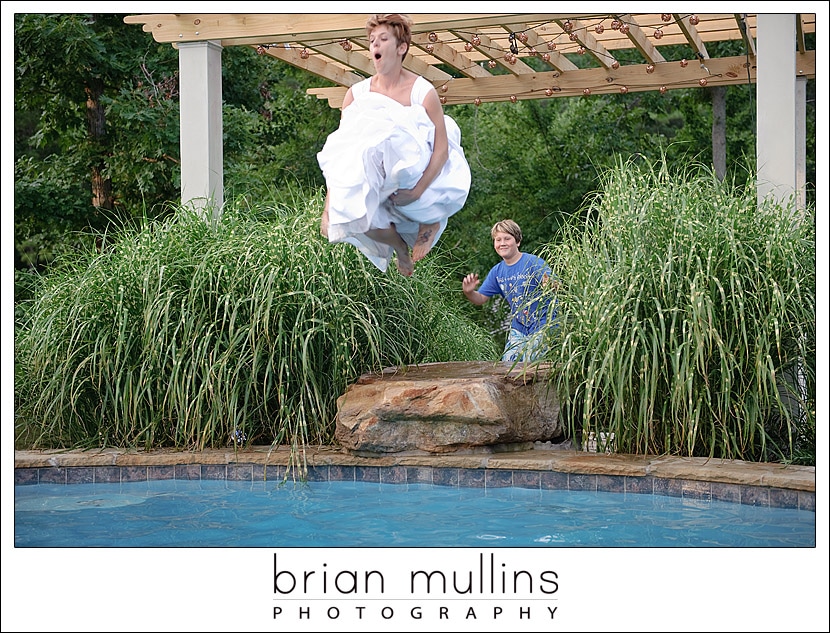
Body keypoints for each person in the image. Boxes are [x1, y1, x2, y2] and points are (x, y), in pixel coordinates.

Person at [317, 14, 471, 277]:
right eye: (372, 40)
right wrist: (329, 206)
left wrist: (417, 191)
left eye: (383, 39)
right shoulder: (356, 95)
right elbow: (342, 157)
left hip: (414, 165)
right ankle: (400, 248)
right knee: (356, 216)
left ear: (401, 48)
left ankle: (429, 220)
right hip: (375, 173)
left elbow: (441, 149)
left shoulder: (422, 91)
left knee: (395, 137)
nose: (375, 45)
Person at [462, 219, 557, 363]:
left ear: (517, 241)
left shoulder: (533, 262)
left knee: (530, 360)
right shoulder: (497, 271)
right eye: (498, 240)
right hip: (519, 327)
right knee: (508, 363)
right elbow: (480, 299)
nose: (502, 243)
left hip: (543, 324)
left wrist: (550, 284)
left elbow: (554, 284)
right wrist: (469, 292)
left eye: (507, 238)